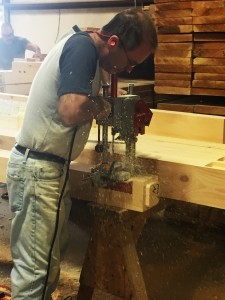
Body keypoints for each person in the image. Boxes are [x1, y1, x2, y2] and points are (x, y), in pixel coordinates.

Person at [6, 8, 158, 300]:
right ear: (113, 42)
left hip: (47, 170)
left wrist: (104, 102)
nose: (128, 70)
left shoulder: (85, 47)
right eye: (131, 62)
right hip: (39, 171)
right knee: (34, 275)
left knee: (47, 263)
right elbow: (71, 109)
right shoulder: (82, 48)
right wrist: (106, 106)